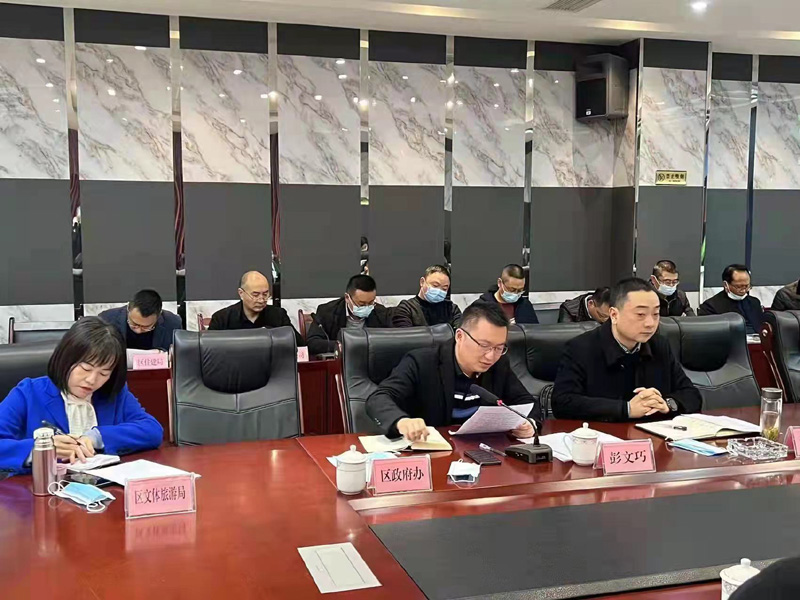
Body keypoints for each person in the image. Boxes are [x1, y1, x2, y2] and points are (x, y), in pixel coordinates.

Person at [0, 317, 163, 475]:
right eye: (85, 369)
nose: (92, 380)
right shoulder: (28, 393)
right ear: (66, 359)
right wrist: (40, 449)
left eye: (103, 373)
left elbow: (152, 430)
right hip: (40, 488)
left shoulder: (113, 393)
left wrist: (98, 437)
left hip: (102, 487)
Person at [366, 302, 540, 441]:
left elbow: (526, 402)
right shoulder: (422, 362)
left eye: (499, 347)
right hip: (434, 454)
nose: (490, 356)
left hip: (482, 452)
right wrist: (401, 422)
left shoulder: (499, 364)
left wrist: (530, 423)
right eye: (484, 345)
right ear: (460, 336)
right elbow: (378, 399)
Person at [552, 278, 702, 422]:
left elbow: (692, 394)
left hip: (653, 434)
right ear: (614, 315)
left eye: (656, 314)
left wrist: (668, 404)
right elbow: (563, 403)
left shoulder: (659, 345)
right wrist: (626, 409)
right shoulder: (581, 348)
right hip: (603, 434)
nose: (650, 323)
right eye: (640, 315)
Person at [209, 271, 303, 346]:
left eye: (265, 294)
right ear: (241, 293)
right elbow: (208, 349)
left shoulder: (278, 315)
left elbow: (299, 345)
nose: (261, 300)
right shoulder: (222, 319)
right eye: (255, 295)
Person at [305, 275, 392, 356]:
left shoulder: (380, 313)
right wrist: (343, 346)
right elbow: (312, 343)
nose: (367, 307)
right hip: (340, 361)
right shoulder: (327, 311)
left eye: (371, 303)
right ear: (347, 298)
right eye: (361, 304)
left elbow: (391, 341)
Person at [99, 289, 182, 351]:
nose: (138, 331)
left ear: (159, 316)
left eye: (146, 327)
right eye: (134, 324)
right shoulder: (107, 320)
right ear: (128, 309)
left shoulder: (173, 323)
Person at [698, 264, 764, 334]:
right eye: (739, 287)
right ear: (726, 285)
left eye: (747, 286)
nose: (744, 290)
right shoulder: (710, 307)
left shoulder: (755, 303)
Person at [393, 265, 462, 329]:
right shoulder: (406, 308)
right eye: (435, 285)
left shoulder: (451, 309)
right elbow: (405, 335)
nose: (439, 291)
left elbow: (462, 332)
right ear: (422, 282)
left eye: (444, 289)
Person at [472, 264, 538, 324]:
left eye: (520, 290)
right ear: (500, 283)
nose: (515, 294)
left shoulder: (525, 306)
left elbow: (534, 330)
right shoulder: (481, 307)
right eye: (512, 289)